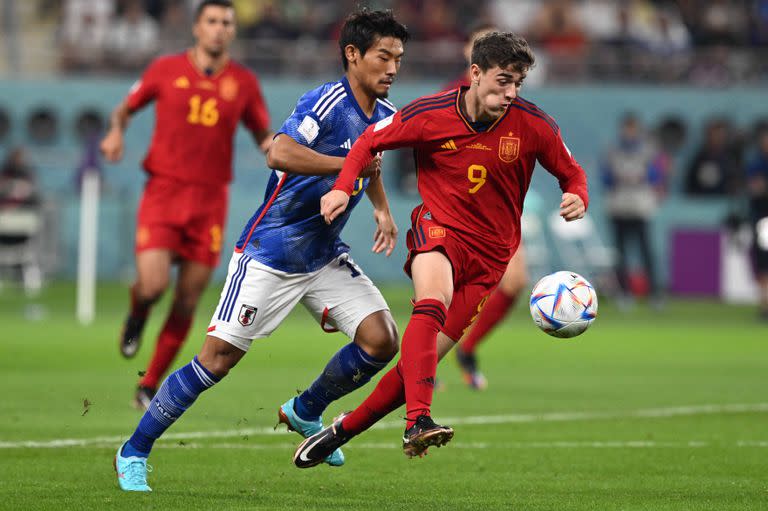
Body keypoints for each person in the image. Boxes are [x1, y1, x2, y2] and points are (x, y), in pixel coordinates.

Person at [113, 9, 408, 492]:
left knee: (381, 339)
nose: (393, 68)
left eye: (399, 58)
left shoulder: (388, 115)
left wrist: (381, 210)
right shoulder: (327, 102)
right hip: (270, 252)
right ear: (353, 55)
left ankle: (305, 410)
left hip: (323, 254)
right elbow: (278, 151)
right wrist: (344, 166)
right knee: (216, 361)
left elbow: (370, 165)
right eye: (384, 56)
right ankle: (134, 450)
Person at [295, 31, 588, 467]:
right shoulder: (431, 114)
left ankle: (344, 430)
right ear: (475, 74)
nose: (510, 93)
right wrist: (342, 188)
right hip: (440, 229)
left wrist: (577, 195)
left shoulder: (535, 125)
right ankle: (419, 421)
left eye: (518, 84)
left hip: (491, 258)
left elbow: (572, 172)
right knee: (430, 304)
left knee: (418, 363)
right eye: (502, 80)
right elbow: (368, 141)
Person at [100, 0, 273, 410]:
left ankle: (149, 383)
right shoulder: (165, 69)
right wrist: (114, 133)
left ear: (233, 31)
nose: (218, 29)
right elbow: (125, 108)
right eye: (211, 21)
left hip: (209, 201)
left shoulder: (244, 83)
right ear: (197, 28)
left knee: (187, 300)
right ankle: (138, 311)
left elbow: (262, 134)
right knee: (155, 284)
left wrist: (285, 153)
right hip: (164, 193)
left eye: (226, 23)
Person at [445, 23, 530, 391]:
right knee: (443, 293)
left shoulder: (512, 101)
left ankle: (468, 348)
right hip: (455, 213)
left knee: (516, 281)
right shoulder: (450, 97)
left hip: (499, 212)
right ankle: (419, 365)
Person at [601, 113, 664, 308]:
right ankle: (624, 293)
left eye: (632, 128)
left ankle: (654, 294)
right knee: (620, 254)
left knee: (646, 252)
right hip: (618, 207)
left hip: (640, 207)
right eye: (626, 128)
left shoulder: (647, 151)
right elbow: (605, 179)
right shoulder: (612, 151)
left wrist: (639, 177)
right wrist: (620, 178)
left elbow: (656, 176)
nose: (629, 132)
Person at [746, 128, 768, 320]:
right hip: (764, 219)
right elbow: (754, 188)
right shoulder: (757, 164)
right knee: (764, 263)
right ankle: (764, 305)